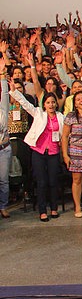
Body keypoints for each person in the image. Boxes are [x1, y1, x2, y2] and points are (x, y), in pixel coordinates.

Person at [10, 89, 64, 222]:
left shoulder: (61, 116)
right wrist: (14, 92)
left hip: (54, 152)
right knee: (41, 182)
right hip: (38, 152)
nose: (51, 105)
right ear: (44, 104)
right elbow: (25, 104)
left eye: (53, 102)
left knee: (53, 181)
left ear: (56, 104)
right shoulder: (39, 113)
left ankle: (53, 208)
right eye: (48, 102)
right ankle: (42, 211)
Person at [0, 57, 10, 218]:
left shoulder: (2, 109)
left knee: (3, 181)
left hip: (3, 149)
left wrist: (2, 75)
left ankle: (3, 206)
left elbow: (6, 94)